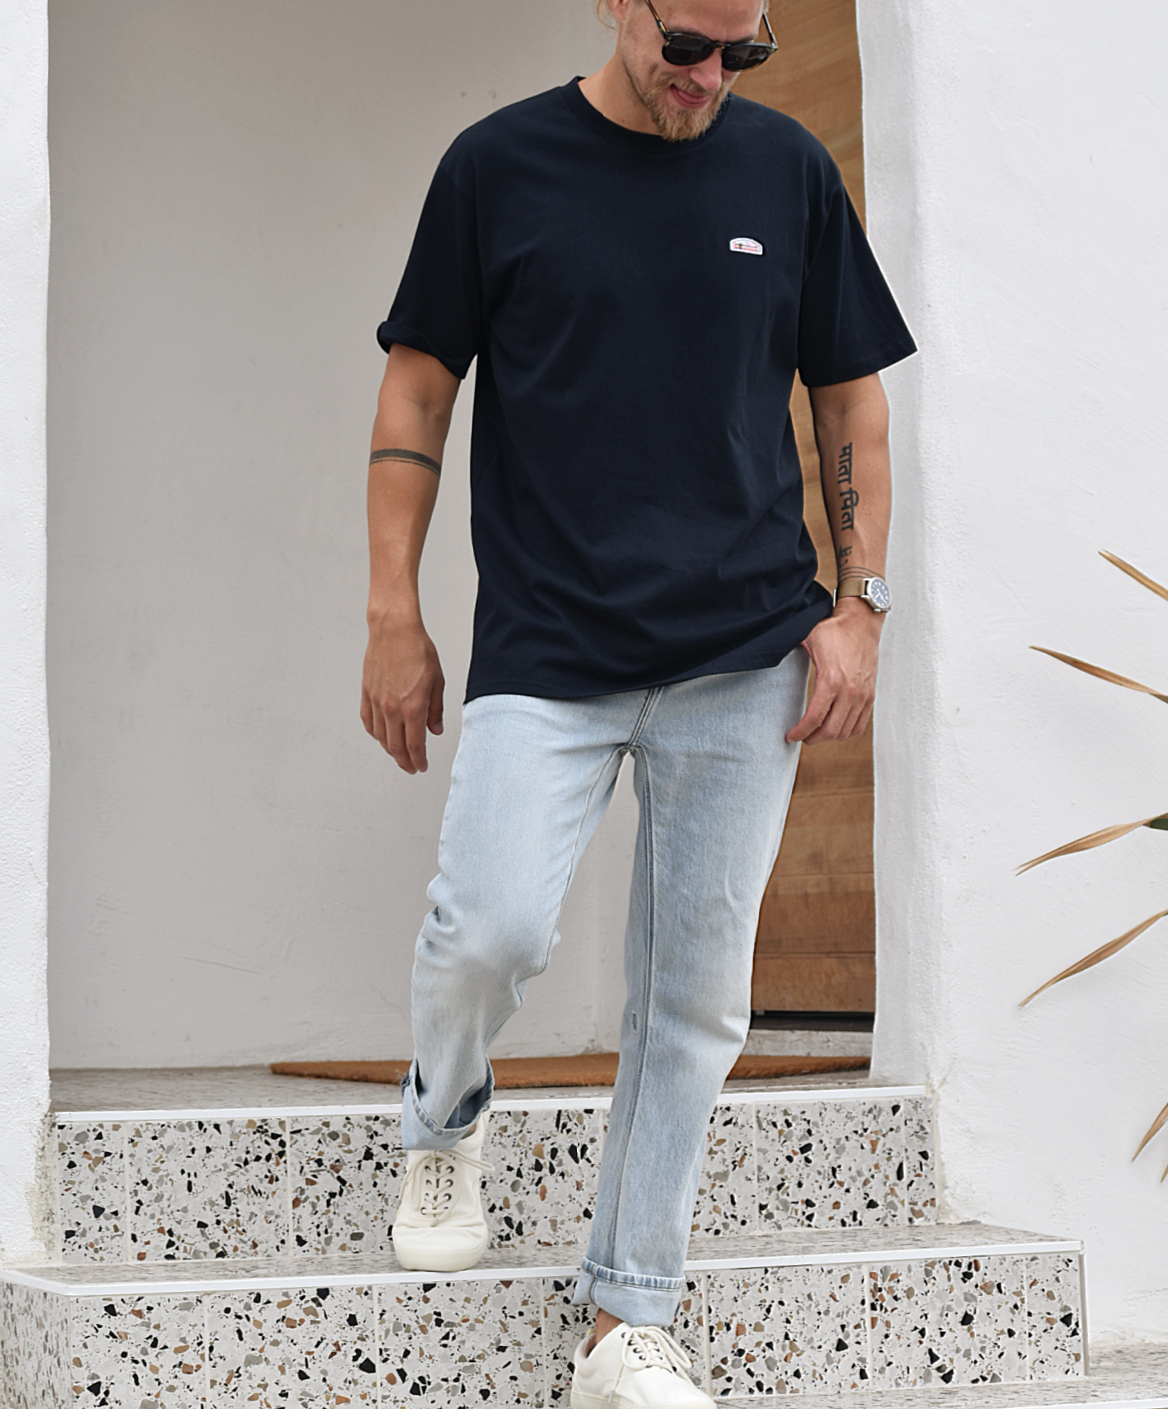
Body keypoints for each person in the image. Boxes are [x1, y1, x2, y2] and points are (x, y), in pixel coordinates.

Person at [361, 1, 915, 1404]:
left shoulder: (785, 170)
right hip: (549, 646)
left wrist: (862, 610)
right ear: (617, 5)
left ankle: (629, 1318)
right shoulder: (497, 168)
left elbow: (852, 402)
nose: (711, 77)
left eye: (744, 50)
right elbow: (417, 395)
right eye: (687, 45)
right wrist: (392, 612)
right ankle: (443, 1121)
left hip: (745, 650)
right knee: (490, 928)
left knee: (693, 1001)